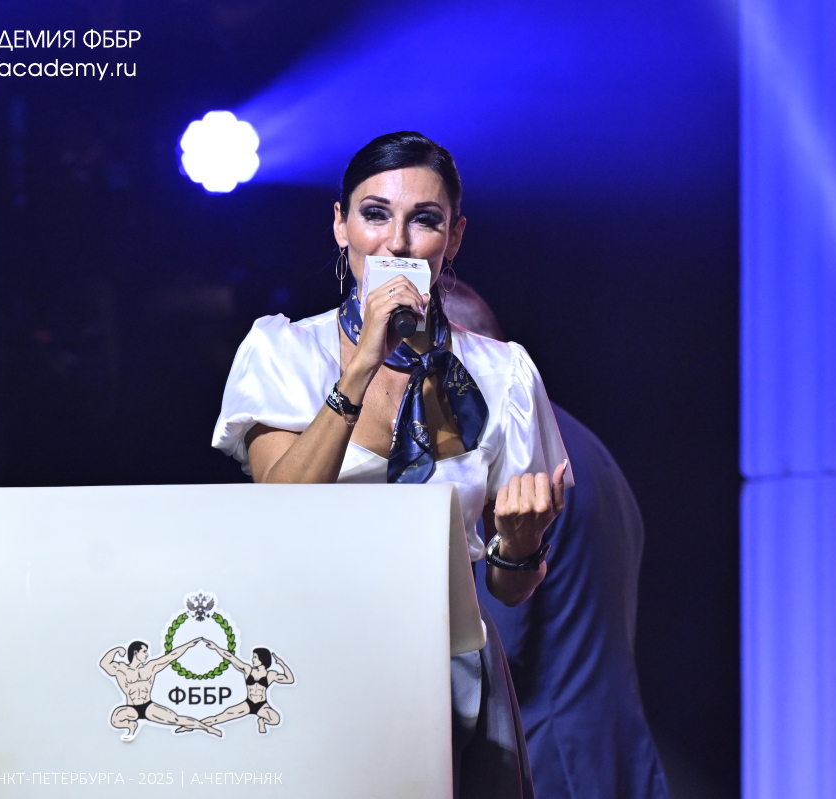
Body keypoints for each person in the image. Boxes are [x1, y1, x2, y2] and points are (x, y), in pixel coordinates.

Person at [212, 131, 572, 799]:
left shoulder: (504, 373)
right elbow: (279, 511)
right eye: (375, 214)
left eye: (424, 220)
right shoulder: (283, 351)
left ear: (453, 237)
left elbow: (510, 589)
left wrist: (520, 546)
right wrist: (359, 369)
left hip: (449, 663)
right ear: (341, 224)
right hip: (309, 653)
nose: (397, 243)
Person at [445, 280, 671, 799]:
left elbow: (497, 643)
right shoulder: (583, 445)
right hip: (612, 756)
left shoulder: (520, 463)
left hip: (551, 761)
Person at [99, 638, 222, 740]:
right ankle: (131, 726)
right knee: (115, 720)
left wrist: (189, 645)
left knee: (176, 719)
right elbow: (104, 664)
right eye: (144, 651)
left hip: (148, 706)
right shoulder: (121, 669)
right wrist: (117, 649)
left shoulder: (150, 667)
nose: (147, 654)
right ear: (135, 653)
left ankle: (207, 728)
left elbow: (171, 656)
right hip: (131, 708)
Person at [178, 644, 294, 734]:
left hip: (262, 705)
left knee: (275, 720)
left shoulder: (271, 674)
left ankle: (262, 721)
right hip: (248, 704)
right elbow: (231, 658)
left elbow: (290, 679)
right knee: (218, 718)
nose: (252, 659)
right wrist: (216, 648)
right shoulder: (248, 670)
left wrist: (281, 663)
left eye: (255, 657)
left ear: (262, 658)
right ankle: (190, 726)